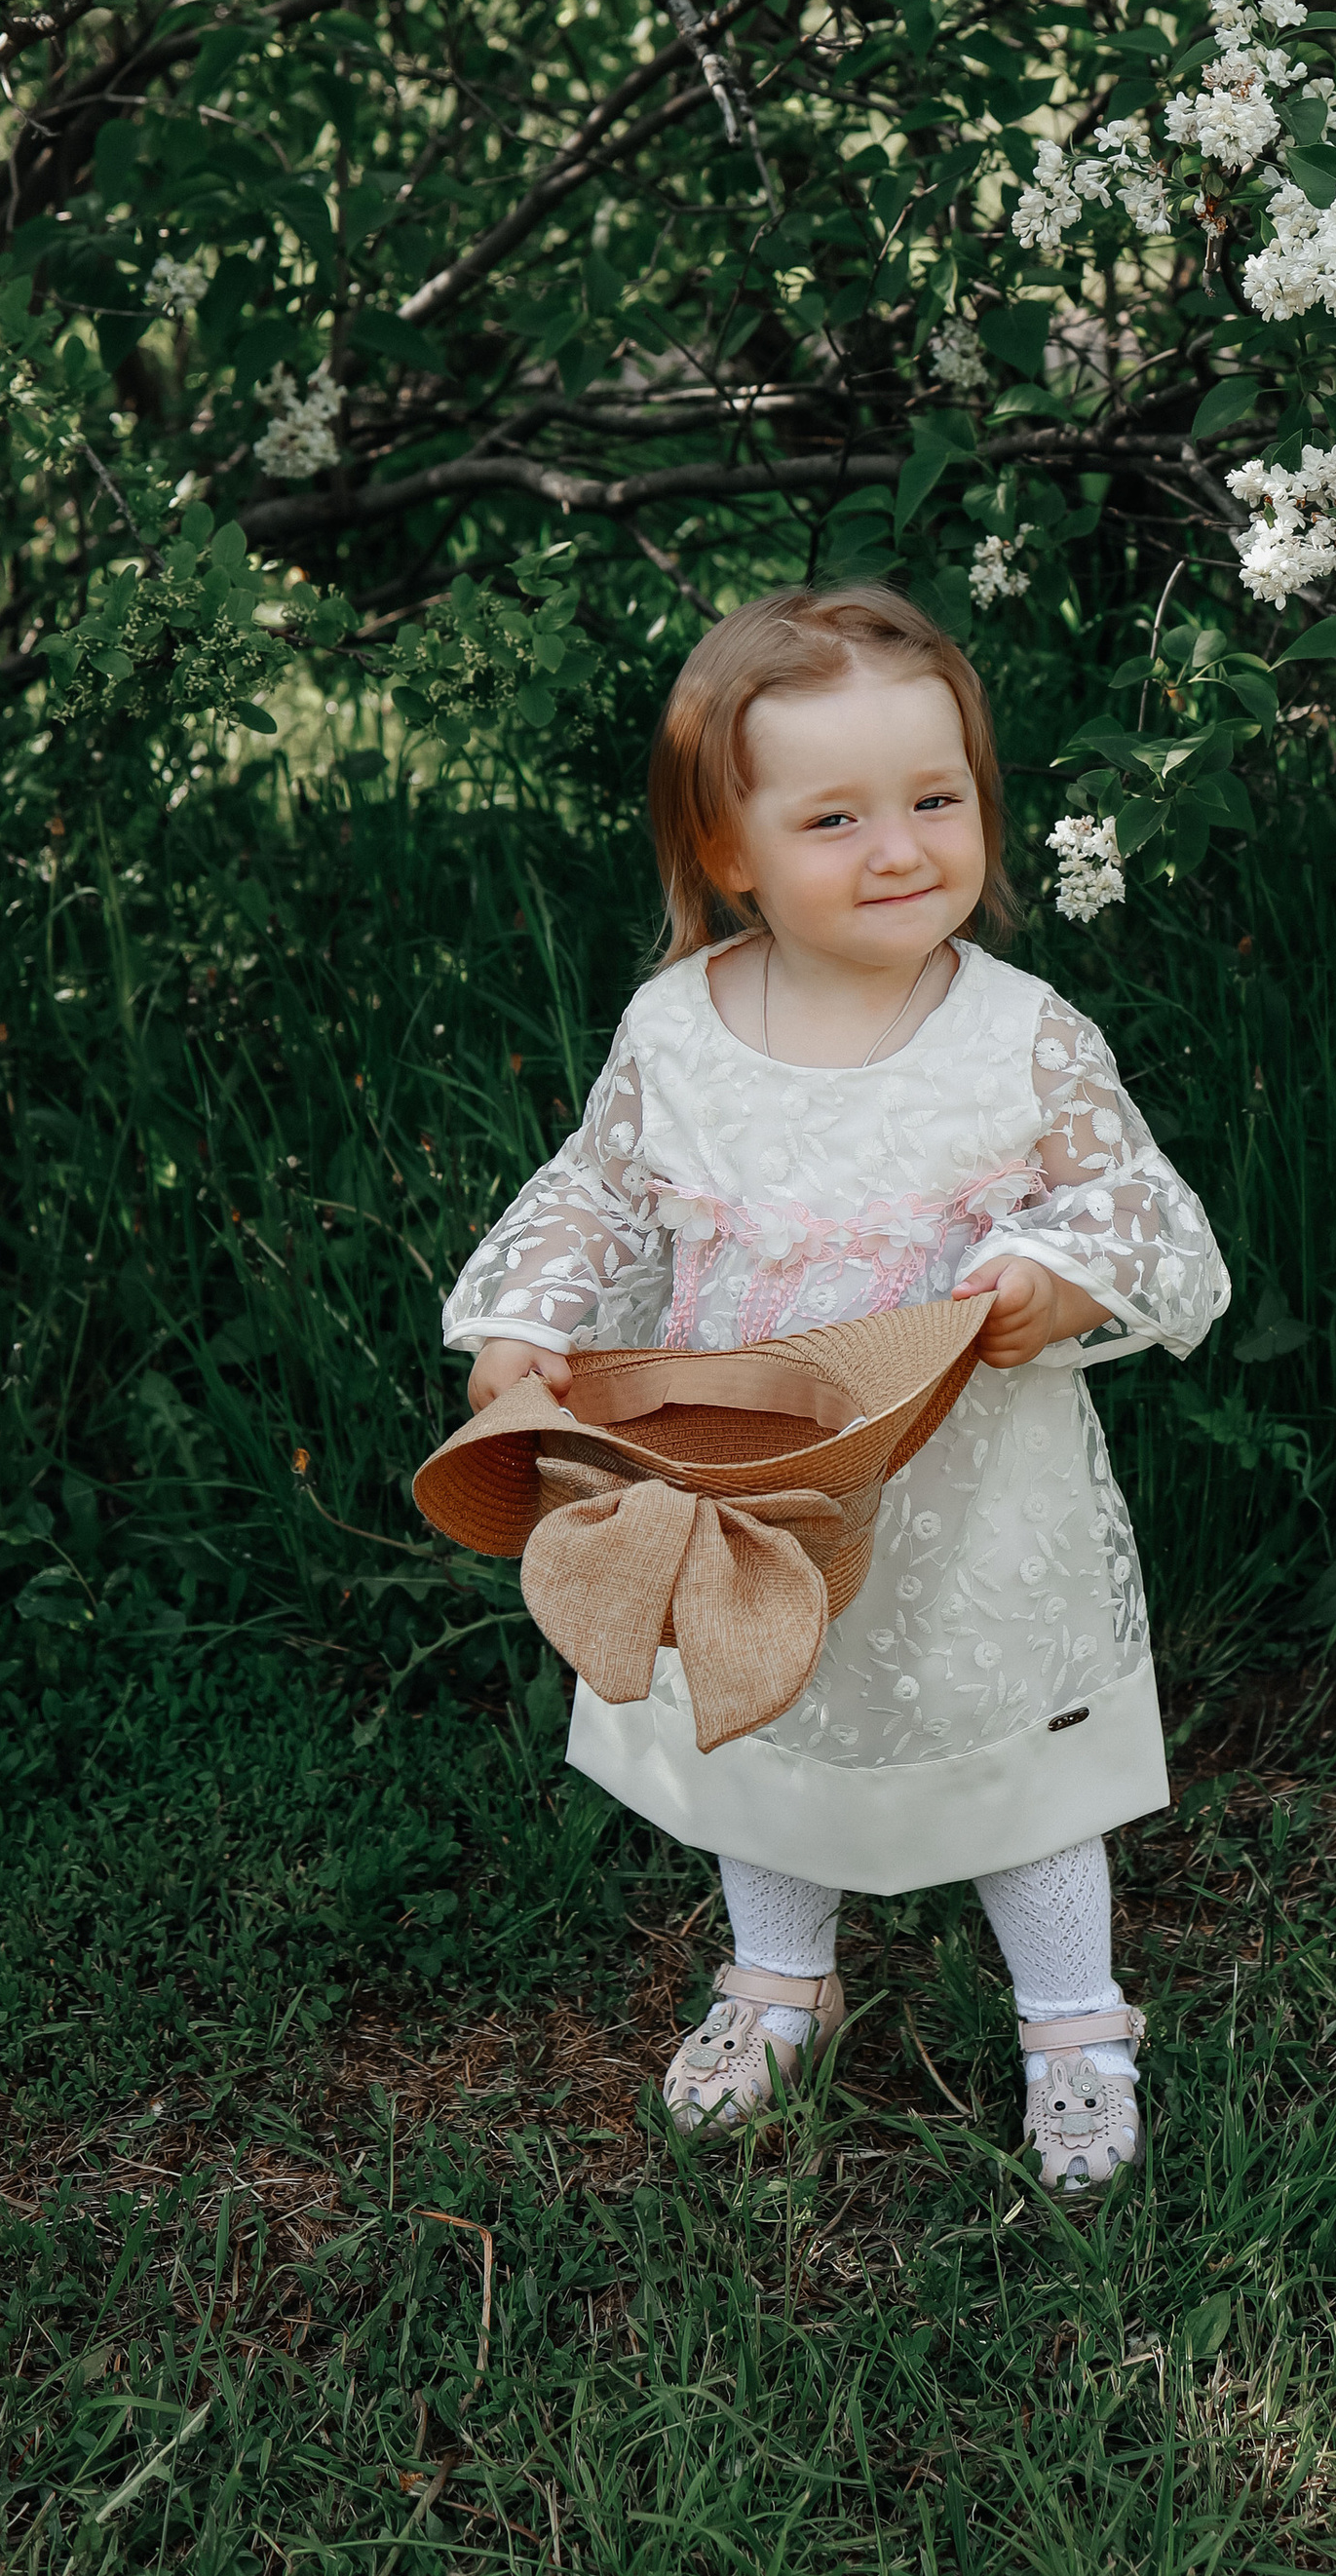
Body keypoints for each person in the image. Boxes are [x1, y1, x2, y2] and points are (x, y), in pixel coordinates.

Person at [443, 582, 1229, 2193]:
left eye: (937, 800)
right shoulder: (680, 1030)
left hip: (967, 1490)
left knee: (1012, 1756)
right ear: (730, 853)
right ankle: (779, 1978)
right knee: (762, 1720)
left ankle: (1074, 2021)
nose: (900, 849)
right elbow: (597, 1191)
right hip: (753, 1482)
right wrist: (525, 1323)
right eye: (836, 817)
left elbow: (1141, 1208)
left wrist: (1059, 1278)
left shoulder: (1020, 1034)